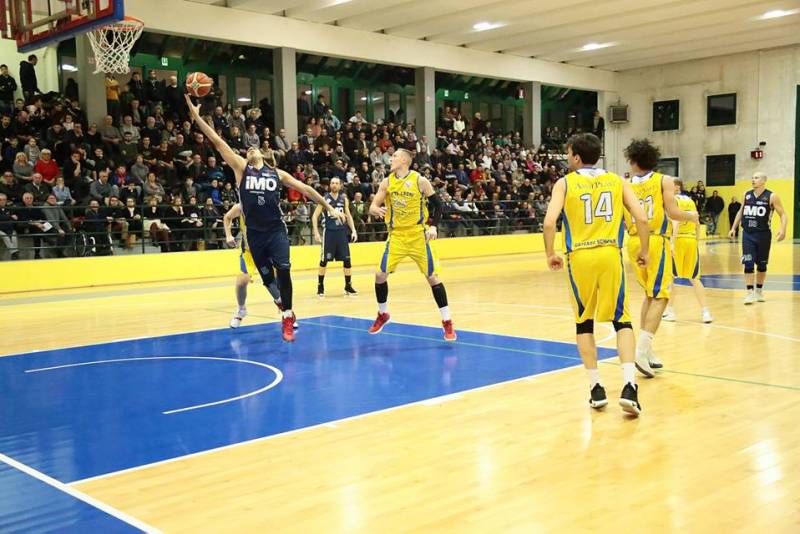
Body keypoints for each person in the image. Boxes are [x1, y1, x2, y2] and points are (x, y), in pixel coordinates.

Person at [186, 94, 344, 342]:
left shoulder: (276, 173)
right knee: (268, 280)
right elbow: (217, 141)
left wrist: (328, 207)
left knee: (283, 270)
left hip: (276, 231)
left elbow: (306, 190)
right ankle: (279, 307)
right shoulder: (241, 168)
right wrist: (196, 116)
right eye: (247, 149)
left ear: (263, 153)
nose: (249, 150)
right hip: (254, 237)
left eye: (253, 148)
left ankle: (288, 316)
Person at [543, 133, 650, 416]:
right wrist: (645, 251)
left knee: (584, 322)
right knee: (621, 319)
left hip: (580, 258)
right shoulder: (618, 181)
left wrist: (550, 253)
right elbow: (641, 217)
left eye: (568, 154)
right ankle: (629, 386)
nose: (567, 159)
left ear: (577, 157)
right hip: (609, 255)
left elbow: (549, 222)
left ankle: (596, 388)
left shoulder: (564, 183)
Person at [622, 139, 698, 377]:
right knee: (662, 296)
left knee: (649, 295)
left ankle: (647, 350)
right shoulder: (664, 181)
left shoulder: (623, 184)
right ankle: (641, 352)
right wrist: (692, 216)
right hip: (655, 240)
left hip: (633, 241)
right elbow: (674, 212)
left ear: (633, 160)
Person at [367, 148, 456, 341]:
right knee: (380, 275)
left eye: (395, 156)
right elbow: (373, 206)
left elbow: (438, 205)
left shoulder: (419, 181)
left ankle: (447, 321)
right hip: (397, 236)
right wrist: (375, 210)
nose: (391, 159)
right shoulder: (387, 182)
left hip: (417, 235)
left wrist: (433, 227)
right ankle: (383, 313)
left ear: (405, 161)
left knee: (432, 278)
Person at [223, 202, 298, 330]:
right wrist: (228, 235)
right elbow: (227, 217)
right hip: (249, 252)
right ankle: (241, 310)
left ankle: (286, 312)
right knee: (242, 281)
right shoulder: (241, 206)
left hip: (268, 248)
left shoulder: (268, 204)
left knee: (275, 281)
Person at [728, 172, 788, 304]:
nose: (753, 180)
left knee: (762, 265)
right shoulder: (746, 194)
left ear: (764, 180)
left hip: (763, 235)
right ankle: (749, 293)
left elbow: (783, 214)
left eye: (756, 178)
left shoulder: (772, 196)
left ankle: (759, 291)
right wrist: (733, 228)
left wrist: (783, 229)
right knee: (748, 263)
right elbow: (740, 212)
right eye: (752, 177)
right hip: (747, 234)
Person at [662, 179, 712, 323]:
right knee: (695, 278)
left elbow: (676, 222)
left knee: (671, 277)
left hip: (678, 241)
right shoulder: (690, 201)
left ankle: (670, 311)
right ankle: (705, 312)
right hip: (691, 240)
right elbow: (697, 222)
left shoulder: (673, 200)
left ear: (676, 187)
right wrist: (696, 239)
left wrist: (672, 242)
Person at [311, 175, 359, 297]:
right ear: (329, 185)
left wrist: (353, 230)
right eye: (332, 183)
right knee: (324, 261)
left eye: (336, 183)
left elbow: (348, 216)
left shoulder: (344, 199)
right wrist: (316, 232)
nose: (334, 185)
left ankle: (348, 286)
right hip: (329, 233)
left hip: (341, 232)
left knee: (347, 260)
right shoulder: (324, 199)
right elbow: (314, 216)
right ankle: (320, 286)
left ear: (340, 185)